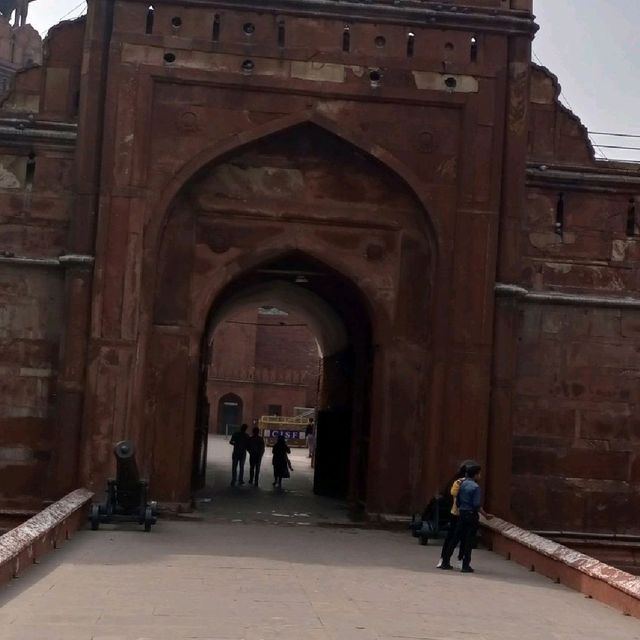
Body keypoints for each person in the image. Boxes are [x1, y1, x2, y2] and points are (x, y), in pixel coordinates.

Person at [439, 462, 491, 573]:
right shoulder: (475, 487)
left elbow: (456, 499)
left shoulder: (461, 484)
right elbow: (476, 504)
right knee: (468, 540)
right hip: (471, 515)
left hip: (461, 514)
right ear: (475, 475)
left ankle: (445, 561)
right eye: (479, 474)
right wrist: (485, 515)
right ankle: (465, 565)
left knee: (454, 538)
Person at [436, 461, 473, 569]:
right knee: (465, 538)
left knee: (451, 537)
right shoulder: (468, 484)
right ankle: (461, 561)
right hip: (464, 513)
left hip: (453, 512)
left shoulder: (455, 481)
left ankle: (444, 559)